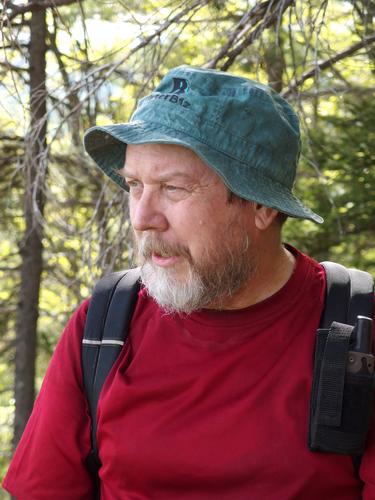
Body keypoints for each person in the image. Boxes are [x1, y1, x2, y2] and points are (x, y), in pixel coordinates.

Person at [3, 65, 374, 499]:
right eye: (134, 185)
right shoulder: (103, 326)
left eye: (173, 189)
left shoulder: (358, 333)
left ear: (262, 207)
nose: (142, 218)